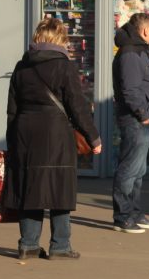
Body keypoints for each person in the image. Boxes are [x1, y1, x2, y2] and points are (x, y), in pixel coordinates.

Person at [6, 18, 101, 260]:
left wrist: (12, 141)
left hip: (24, 132)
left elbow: (12, 109)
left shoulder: (21, 66)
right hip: (56, 132)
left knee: (30, 187)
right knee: (59, 188)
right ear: (61, 40)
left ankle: (27, 244)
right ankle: (60, 245)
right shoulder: (64, 66)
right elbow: (76, 105)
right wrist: (93, 137)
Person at [111, 11, 149, 234]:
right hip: (136, 120)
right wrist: (143, 114)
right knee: (129, 169)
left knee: (138, 170)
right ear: (144, 31)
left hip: (142, 119)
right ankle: (123, 216)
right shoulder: (131, 54)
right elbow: (130, 89)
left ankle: (135, 213)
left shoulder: (139, 50)